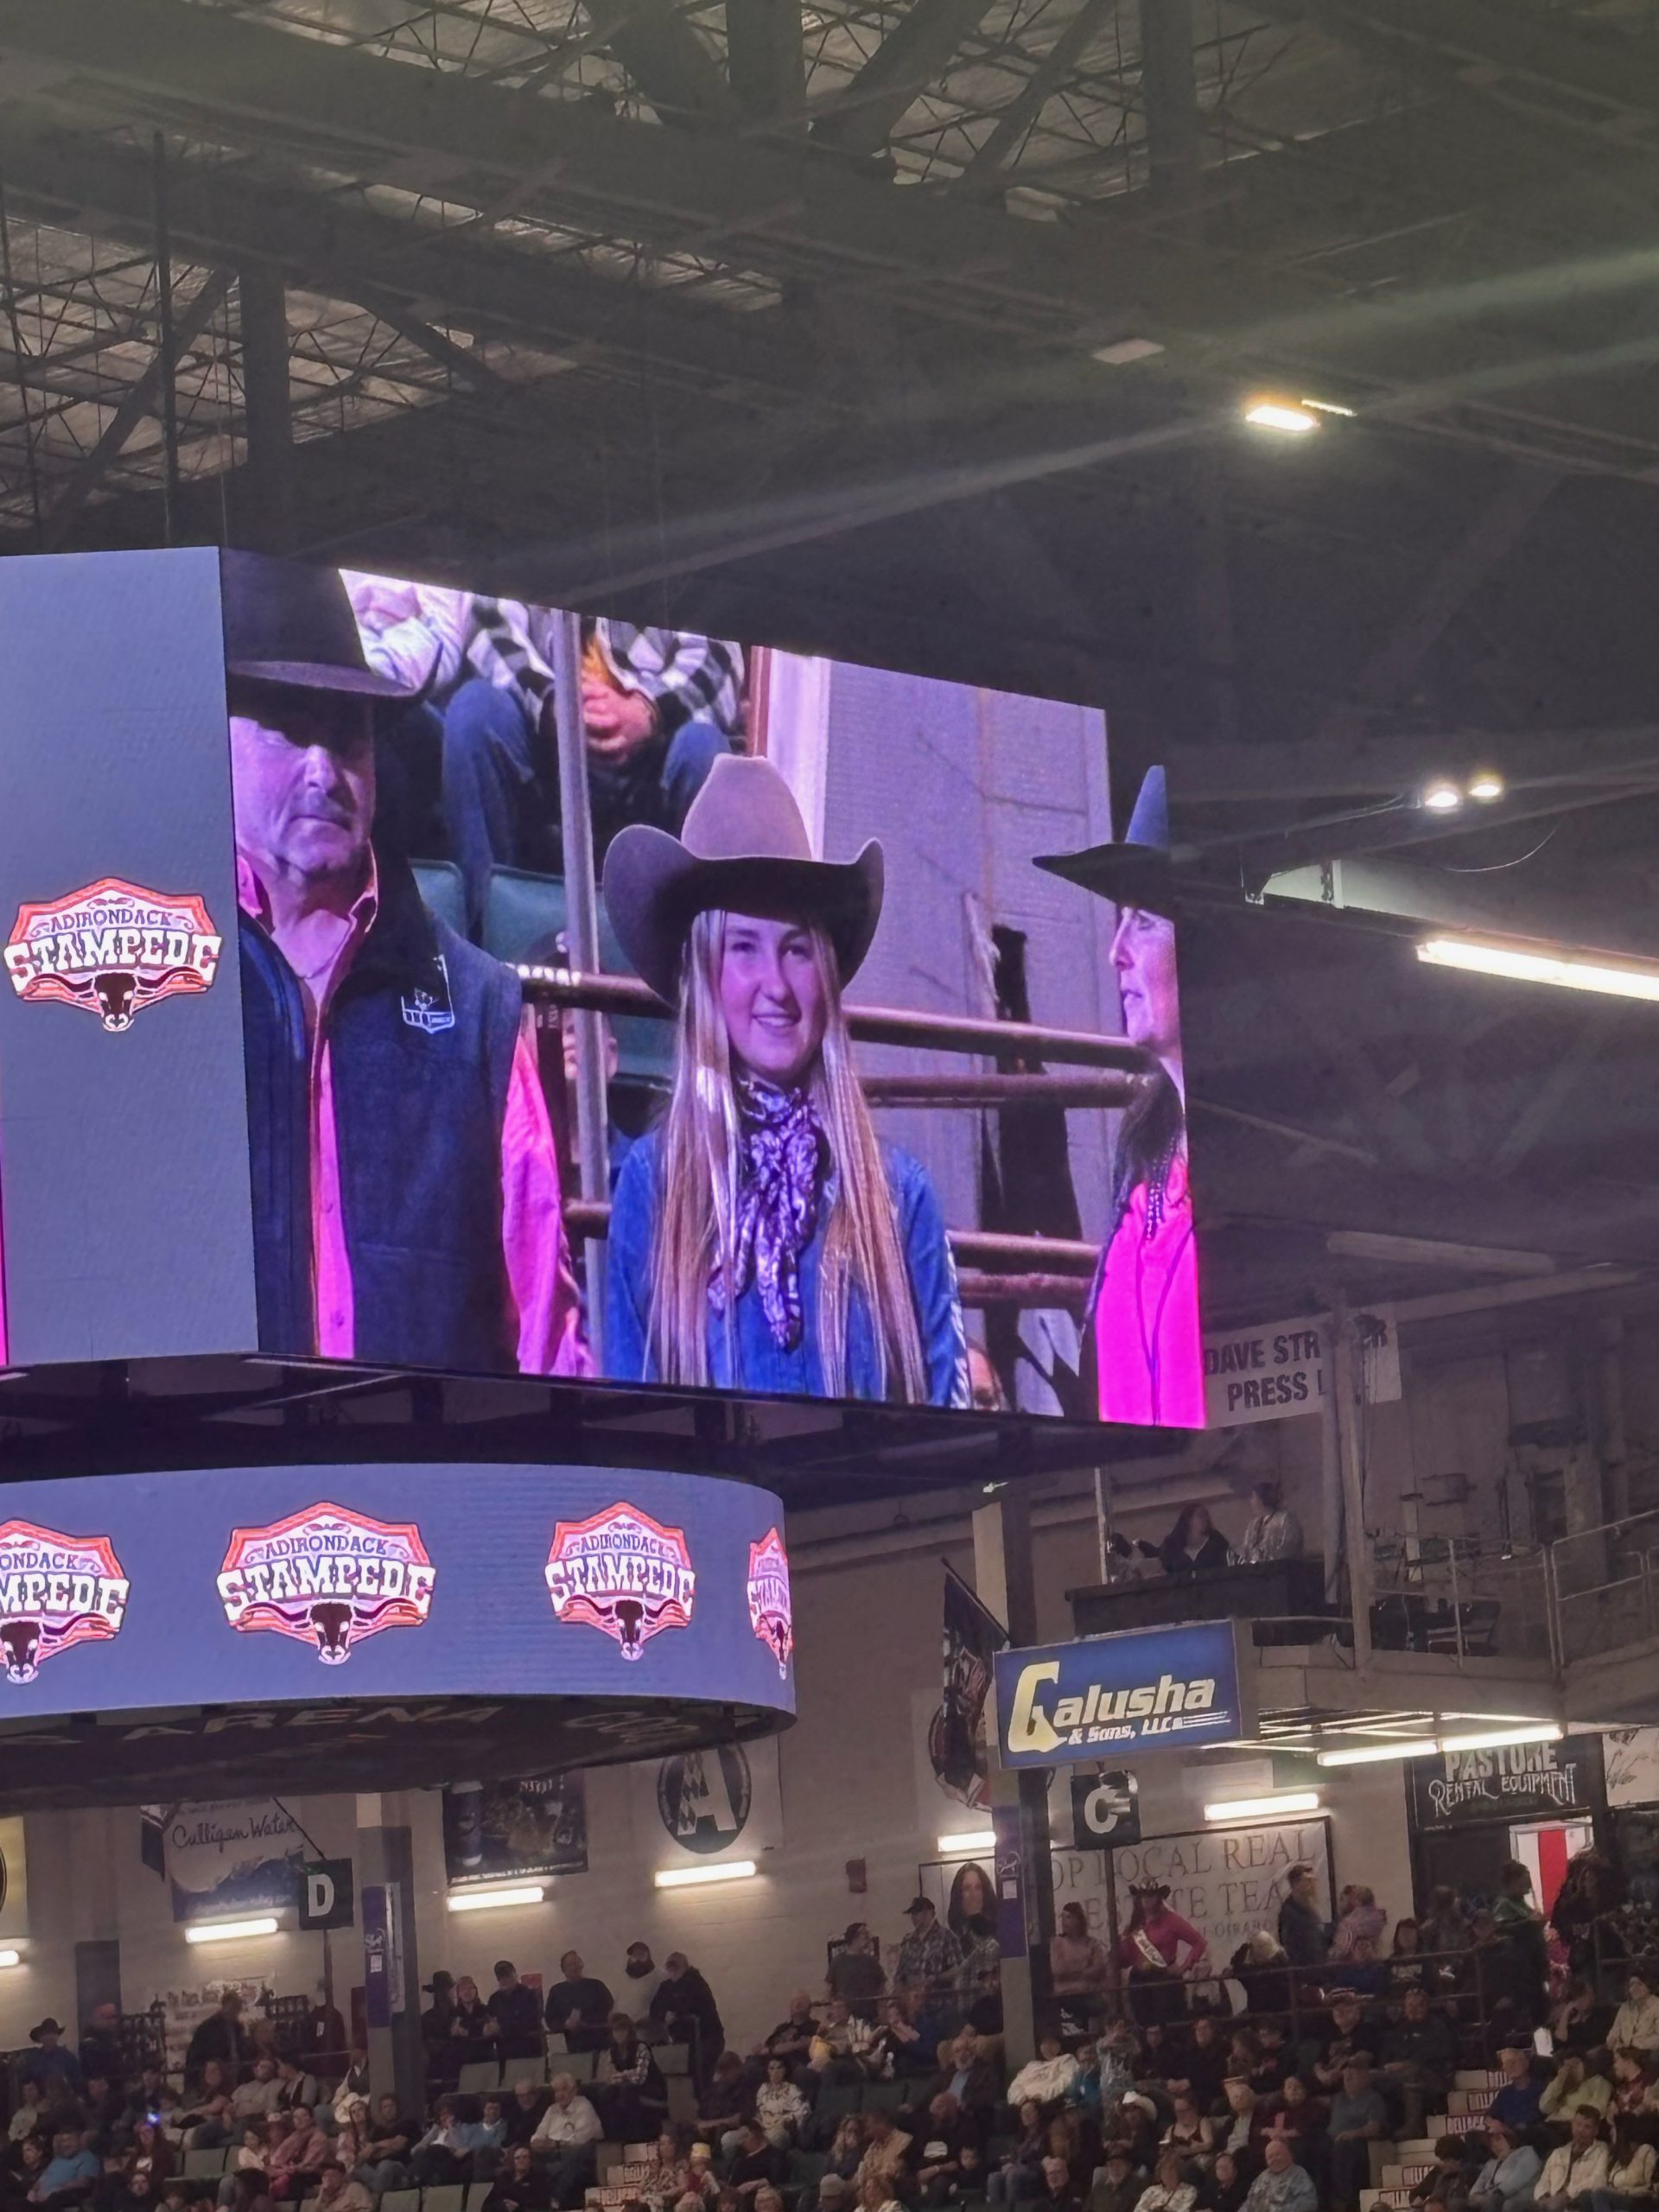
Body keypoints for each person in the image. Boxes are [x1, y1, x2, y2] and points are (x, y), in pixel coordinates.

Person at [227, 550, 588, 1377]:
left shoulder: (479, 1007)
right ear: (220, 743)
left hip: (429, 1479)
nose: (324, 771)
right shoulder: (161, 987)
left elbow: (542, 1319)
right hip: (212, 1476)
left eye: (347, 735)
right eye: (288, 729)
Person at [602, 755, 968, 1406]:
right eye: (744, 946)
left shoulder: (898, 1200)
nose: (776, 985)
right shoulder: (653, 1187)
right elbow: (629, 1431)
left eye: (796, 949)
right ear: (703, 976)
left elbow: (948, 1414)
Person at [346, 575, 746, 937]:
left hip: (652, 747)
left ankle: (703, 951)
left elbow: (718, 656)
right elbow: (492, 625)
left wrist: (647, 710)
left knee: (704, 749)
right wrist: (553, 703)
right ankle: (480, 938)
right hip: (547, 742)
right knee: (475, 711)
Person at [1036, 766, 1201, 1428]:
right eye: (1118, 922)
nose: (1116, 952)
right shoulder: (1141, 1157)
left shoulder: (1260, 1148)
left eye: (1145, 924)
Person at [1117, 1882, 1207, 2026]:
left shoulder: (1171, 1920)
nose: (1147, 1900)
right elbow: (1128, 1960)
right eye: (1143, 1896)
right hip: (1139, 1980)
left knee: (1165, 2023)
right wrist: (1121, 1945)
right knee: (1142, 2024)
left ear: (1158, 1898)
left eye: (1151, 1896)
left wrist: (1184, 1966)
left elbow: (1199, 1942)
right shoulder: (1135, 1925)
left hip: (1162, 1978)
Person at [1380, 1986, 1456, 2140]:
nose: (1414, 2010)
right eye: (1410, 2006)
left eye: (1419, 2005)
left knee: (1412, 2073)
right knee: (1368, 2077)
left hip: (1433, 2076)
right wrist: (1388, 2066)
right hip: (1397, 2075)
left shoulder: (1437, 2027)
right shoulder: (1399, 2029)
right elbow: (1387, 2056)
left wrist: (1407, 2064)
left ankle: (1413, 2126)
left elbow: (1435, 2055)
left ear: (1427, 2006)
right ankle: (1378, 2130)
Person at [649, 1955, 725, 2093]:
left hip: (705, 2036)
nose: (673, 1971)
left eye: (676, 1968)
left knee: (702, 2071)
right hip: (684, 2040)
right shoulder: (666, 1987)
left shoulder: (696, 1983)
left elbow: (700, 2005)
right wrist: (664, 2015)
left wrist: (677, 2014)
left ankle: (704, 2102)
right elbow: (655, 2008)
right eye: (670, 1968)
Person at [531, 2075, 602, 2209]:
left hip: (580, 2152)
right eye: (556, 2091)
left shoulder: (584, 2106)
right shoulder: (552, 2110)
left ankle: (556, 2197)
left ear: (574, 2091)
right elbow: (538, 2134)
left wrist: (556, 2144)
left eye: (563, 2090)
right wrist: (537, 2142)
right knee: (528, 2154)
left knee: (577, 2153)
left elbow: (581, 2139)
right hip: (552, 2153)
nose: (559, 2095)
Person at [594, 2015, 668, 2141]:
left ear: (629, 2032)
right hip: (627, 2086)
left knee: (627, 2091)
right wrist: (627, 2075)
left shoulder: (641, 2048)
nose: (619, 2034)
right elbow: (610, 2077)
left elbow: (640, 2078)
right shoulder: (612, 2051)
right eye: (616, 2031)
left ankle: (637, 2136)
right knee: (604, 2092)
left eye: (622, 2030)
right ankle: (612, 2137)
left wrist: (622, 2075)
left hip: (652, 2088)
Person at [1327, 2062, 1388, 2212]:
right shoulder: (1338, 2098)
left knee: (1342, 2150)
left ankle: (1346, 2202)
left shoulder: (1373, 2099)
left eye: (1351, 2076)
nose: (1347, 2080)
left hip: (1357, 2145)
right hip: (1331, 2141)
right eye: (1345, 2077)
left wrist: (1351, 2133)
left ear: (1364, 2077)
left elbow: (1375, 2127)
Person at [896, 1897, 965, 2023]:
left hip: (939, 2008)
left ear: (929, 1913)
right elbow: (900, 1974)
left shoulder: (946, 1937)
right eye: (913, 1914)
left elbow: (958, 1970)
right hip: (913, 2011)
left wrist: (935, 1979)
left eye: (917, 1913)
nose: (914, 1918)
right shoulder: (908, 1941)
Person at [1535, 2108, 1611, 2211]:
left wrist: (1568, 2195)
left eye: (1587, 2127)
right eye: (1578, 2124)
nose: (1580, 2130)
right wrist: (1543, 2197)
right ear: (1572, 2125)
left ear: (1596, 2131)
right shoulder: (1558, 2153)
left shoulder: (1602, 2151)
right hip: (1550, 2201)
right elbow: (1543, 2181)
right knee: (1515, 2206)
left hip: (1575, 2202)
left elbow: (1599, 2181)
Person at [1052, 1903, 1113, 2024]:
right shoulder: (1058, 1943)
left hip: (1089, 1992)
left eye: (1068, 1917)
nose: (1064, 1921)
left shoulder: (1092, 1943)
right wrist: (1084, 1970)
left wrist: (1072, 1973)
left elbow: (1099, 1968)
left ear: (1078, 1919)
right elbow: (1058, 1970)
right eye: (1062, 1918)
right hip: (1066, 1994)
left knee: (1101, 2005)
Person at [544, 1952, 616, 2055]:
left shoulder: (596, 1986)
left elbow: (609, 2009)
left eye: (577, 1963)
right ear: (563, 1969)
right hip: (572, 2045)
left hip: (599, 2041)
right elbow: (550, 2018)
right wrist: (565, 2024)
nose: (575, 1968)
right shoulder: (557, 1991)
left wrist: (587, 2022)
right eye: (570, 1965)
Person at [1587, 2112, 1654, 2212]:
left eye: (1612, 2129)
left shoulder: (1645, 2151)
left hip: (1635, 2200)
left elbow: (1650, 2188)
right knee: (1587, 2196)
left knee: (1600, 2194)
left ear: (1621, 2132)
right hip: (1615, 2199)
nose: (1610, 2133)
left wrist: (1625, 2192)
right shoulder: (1615, 2156)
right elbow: (1605, 2181)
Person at [1469, 2120, 1541, 2212]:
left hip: (1519, 2198)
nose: (1495, 2145)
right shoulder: (1491, 2163)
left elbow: (1518, 2179)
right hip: (1490, 2199)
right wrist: (1477, 2196)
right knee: (1462, 2204)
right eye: (1491, 2144)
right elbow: (1477, 2187)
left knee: (1507, 2205)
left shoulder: (1526, 2152)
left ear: (1508, 2138)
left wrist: (1498, 2193)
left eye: (1498, 2139)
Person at [353, 2097, 417, 2196]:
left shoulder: (407, 2124)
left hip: (400, 2166)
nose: (388, 2109)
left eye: (391, 2106)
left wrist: (375, 2146)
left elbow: (397, 2145)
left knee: (385, 2165)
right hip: (377, 2171)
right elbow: (364, 2156)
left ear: (397, 2107)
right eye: (385, 2107)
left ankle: (378, 2193)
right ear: (381, 2111)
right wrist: (382, 2148)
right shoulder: (378, 2132)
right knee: (356, 2169)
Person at [28, 2129, 99, 2209]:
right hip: (38, 2199)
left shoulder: (87, 2157)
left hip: (60, 2199)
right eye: (63, 2141)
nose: (66, 2144)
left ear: (79, 2140)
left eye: (70, 2140)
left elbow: (84, 2182)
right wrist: (33, 2191)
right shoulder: (58, 2158)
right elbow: (43, 2178)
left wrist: (57, 2189)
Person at [1240, 2138, 1316, 2212]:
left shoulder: (1299, 2174)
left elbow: (1308, 2204)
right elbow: (1248, 2204)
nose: (1274, 2159)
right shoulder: (1262, 2177)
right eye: (1270, 2157)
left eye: (1277, 2154)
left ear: (1288, 2155)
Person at [1236, 1482, 1303, 1565]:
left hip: (1279, 1570)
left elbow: (1289, 1548)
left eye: (1253, 1497)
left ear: (1261, 1500)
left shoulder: (1284, 1520)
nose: (1251, 1502)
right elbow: (1246, 1550)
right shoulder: (1253, 1525)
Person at [829, 1926, 887, 2020]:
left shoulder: (871, 1961)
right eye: (864, 1934)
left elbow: (881, 1986)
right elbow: (829, 1988)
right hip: (846, 2015)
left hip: (870, 2013)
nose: (867, 1937)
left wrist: (883, 2010)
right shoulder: (838, 1962)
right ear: (854, 1938)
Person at [1277, 1866, 1327, 1976]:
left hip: (1318, 1966)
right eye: (1307, 1881)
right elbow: (1287, 1943)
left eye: (1313, 1881)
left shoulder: (1310, 1907)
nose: (1312, 1885)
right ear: (1296, 1884)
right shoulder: (1289, 1912)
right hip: (1302, 1970)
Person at [1155, 1507, 1229, 1579]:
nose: (1205, 1519)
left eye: (1206, 1516)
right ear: (1188, 1520)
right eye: (1200, 1515)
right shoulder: (1171, 1548)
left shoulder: (1217, 1543)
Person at [1489, 2044, 1545, 2133]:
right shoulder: (1505, 2092)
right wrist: (1493, 2123)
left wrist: (1507, 2130)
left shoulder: (1540, 2088)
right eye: (1506, 2064)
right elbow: (1490, 2116)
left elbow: (1535, 2118)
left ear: (1526, 2063)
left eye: (1513, 2062)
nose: (1510, 2066)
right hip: (1506, 2138)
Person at [482, 2145, 554, 2212]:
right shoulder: (503, 2178)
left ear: (530, 2160)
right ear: (513, 2161)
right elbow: (485, 2207)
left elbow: (543, 2208)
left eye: (525, 2157)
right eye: (517, 2158)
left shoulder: (539, 2180)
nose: (521, 2160)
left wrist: (518, 2209)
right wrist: (503, 2206)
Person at [22, 2028, 83, 2105]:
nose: (50, 2036)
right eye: (47, 2033)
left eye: (53, 2033)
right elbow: (27, 2081)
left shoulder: (68, 2057)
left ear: (57, 2036)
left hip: (64, 2102)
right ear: (40, 2037)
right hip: (39, 2103)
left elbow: (77, 2081)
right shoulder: (34, 2058)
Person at [1609, 1977, 1659, 2056]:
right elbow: (1614, 2032)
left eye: (1640, 1984)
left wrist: (1637, 2045)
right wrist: (1616, 2045)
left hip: (1646, 2052)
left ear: (1649, 1986)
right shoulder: (1625, 2007)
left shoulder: (1657, 2006)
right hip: (1623, 2052)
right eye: (1631, 1985)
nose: (1635, 1988)